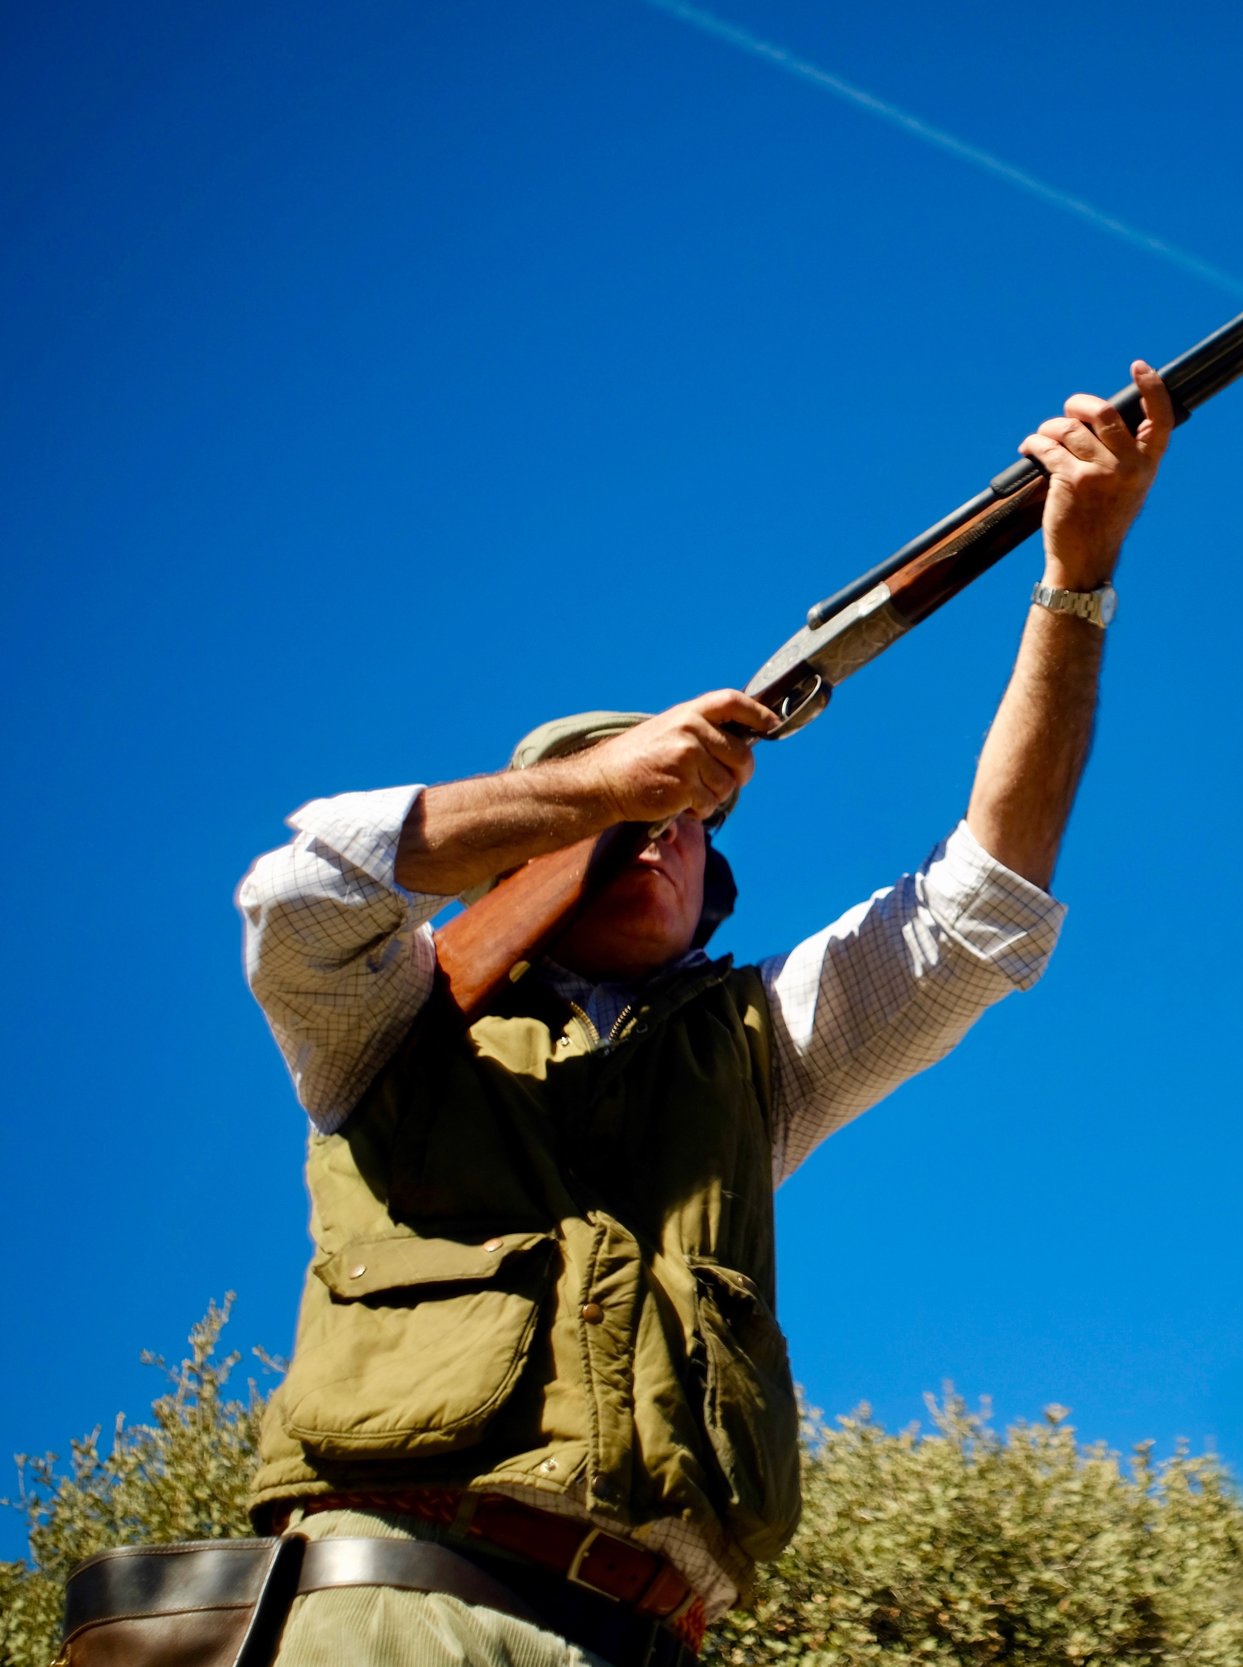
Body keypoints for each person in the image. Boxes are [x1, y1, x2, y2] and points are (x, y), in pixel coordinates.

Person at [230, 364, 1174, 1666]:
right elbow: (305, 885)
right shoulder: (390, 1025)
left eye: (686, 824)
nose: (660, 834)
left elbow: (983, 910)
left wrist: (1075, 579)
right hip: (387, 1615)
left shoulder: (753, 1053)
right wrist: (601, 786)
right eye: (624, 816)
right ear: (529, 858)